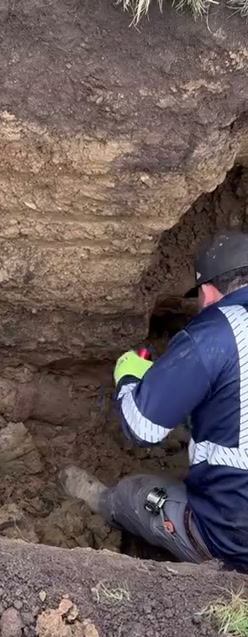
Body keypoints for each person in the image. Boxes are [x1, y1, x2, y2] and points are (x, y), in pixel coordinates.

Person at [59, 231, 248, 569]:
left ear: (207, 292)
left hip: (235, 535)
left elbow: (141, 427)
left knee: (136, 492)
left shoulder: (214, 333)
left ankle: (103, 502)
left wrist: (130, 376)